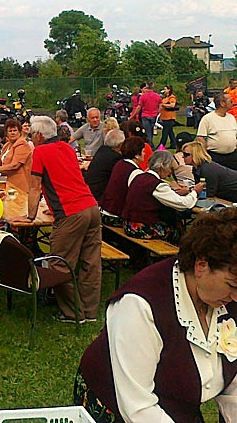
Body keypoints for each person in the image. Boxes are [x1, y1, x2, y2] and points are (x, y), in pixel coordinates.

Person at [76, 208, 237, 422]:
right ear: (201, 265)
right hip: (118, 408)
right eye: (232, 285)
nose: (236, 297)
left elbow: (234, 386)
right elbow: (138, 407)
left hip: (177, 407)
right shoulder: (140, 305)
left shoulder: (227, 299)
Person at [22, 116, 101, 324]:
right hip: (91, 207)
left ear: (39, 135)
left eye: (31, 134)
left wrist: (31, 216)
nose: (31, 138)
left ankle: (73, 313)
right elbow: (65, 179)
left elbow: (34, 186)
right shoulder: (67, 148)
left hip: (70, 213)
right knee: (90, 263)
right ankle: (90, 311)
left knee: (60, 263)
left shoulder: (39, 151)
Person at [122, 150, 202, 243]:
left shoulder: (139, 177)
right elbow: (183, 204)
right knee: (179, 231)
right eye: (170, 169)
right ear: (163, 167)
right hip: (141, 228)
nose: (170, 174)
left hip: (128, 224)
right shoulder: (156, 185)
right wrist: (195, 192)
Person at [99, 137, 146, 226]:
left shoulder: (120, 163)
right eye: (143, 151)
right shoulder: (135, 172)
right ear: (136, 154)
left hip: (104, 211)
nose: (145, 154)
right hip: (115, 215)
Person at [0, 118, 32, 191]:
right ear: (6, 133)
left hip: (19, 186)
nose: (12, 133)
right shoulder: (6, 145)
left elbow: (14, 165)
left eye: (15, 130)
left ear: (20, 132)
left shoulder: (22, 144)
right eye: (10, 131)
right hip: (6, 183)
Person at [197, 93, 237, 171]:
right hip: (215, 157)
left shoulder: (231, 118)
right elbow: (201, 139)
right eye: (230, 101)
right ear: (222, 103)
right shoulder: (207, 119)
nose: (233, 102)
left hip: (232, 156)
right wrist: (205, 157)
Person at [84, 129, 125, 203]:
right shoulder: (115, 158)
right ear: (120, 145)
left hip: (89, 191)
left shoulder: (102, 150)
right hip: (99, 197)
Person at [135, 81, 162, 149]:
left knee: (147, 132)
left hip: (145, 115)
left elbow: (139, 107)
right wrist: (158, 112)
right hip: (153, 115)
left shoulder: (143, 96)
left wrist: (133, 115)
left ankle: (150, 146)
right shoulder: (157, 96)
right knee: (151, 130)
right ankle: (150, 144)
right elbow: (160, 105)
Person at [158, 84, 178, 149]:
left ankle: (161, 145)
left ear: (169, 90)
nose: (164, 90)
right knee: (170, 131)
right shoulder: (165, 98)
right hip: (164, 116)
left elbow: (172, 105)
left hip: (169, 117)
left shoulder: (172, 97)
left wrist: (163, 105)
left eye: (165, 89)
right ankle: (173, 143)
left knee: (165, 132)